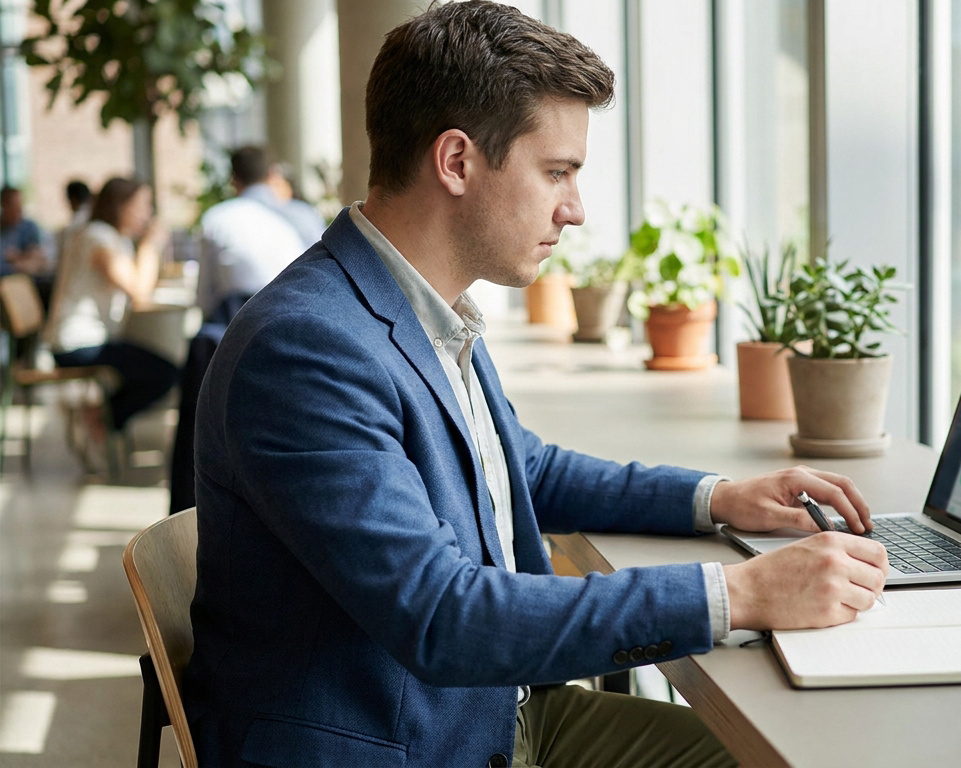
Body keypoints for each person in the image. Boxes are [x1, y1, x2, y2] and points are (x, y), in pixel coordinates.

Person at [185, 4, 889, 766]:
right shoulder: (307, 349)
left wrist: (717, 498)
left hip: (490, 712)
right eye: (557, 172)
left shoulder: (427, 307)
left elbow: (523, 467)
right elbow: (441, 617)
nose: (575, 210)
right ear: (456, 161)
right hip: (410, 744)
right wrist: (739, 593)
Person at [44, 177, 179, 438]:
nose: (148, 214)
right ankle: (99, 418)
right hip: (76, 344)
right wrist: (150, 244)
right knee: (165, 374)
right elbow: (139, 292)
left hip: (92, 339)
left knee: (158, 368)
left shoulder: (114, 238)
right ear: (122, 206)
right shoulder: (97, 237)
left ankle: (99, 416)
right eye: (143, 206)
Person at [195, 146, 313, 319]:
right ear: (272, 174)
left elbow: (205, 296)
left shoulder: (217, 218)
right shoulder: (305, 216)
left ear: (233, 180)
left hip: (236, 321)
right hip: (300, 315)